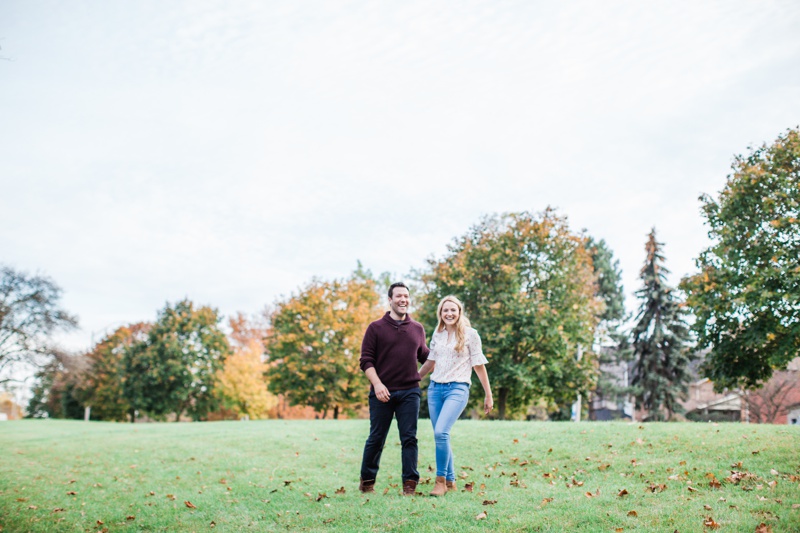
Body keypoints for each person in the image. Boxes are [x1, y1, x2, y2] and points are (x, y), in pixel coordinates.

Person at [359, 282, 434, 496]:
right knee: (376, 438)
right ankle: (367, 483)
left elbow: (428, 358)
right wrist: (378, 384)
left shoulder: (417, 329)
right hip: (382, 393)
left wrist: (416, 378)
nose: (403, 299)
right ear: (390, 300)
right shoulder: (375, 328)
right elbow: (366, 361)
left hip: (409, 393)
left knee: (409, 438)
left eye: (406, 296)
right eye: (399, 296)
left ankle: (409, 486)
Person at [425, 295, 493, 497]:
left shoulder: (471, 335)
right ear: (440, 313)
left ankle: (440, 481)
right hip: (435, 389)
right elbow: (430, 363)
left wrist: (488, 395)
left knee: (440, 433)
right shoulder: (437, 334)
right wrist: (412, 379)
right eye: (445, 310)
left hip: (458, 388)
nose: (449, 313)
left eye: (453, 310)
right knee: (441, 436)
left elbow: (479, 366)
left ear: (459, 312)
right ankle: (451, 480)